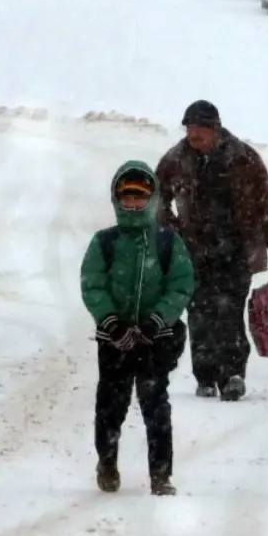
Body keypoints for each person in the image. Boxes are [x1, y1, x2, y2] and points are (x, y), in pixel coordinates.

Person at [155, 99, 268, 401]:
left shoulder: (244, 159)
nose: (192, 134)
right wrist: (169, 232)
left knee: (229, 314)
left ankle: (232, 375)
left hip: (236, 251)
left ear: (214, 128)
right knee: (200, 313)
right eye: (188, 128)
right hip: (192, 253)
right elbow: (156, 201)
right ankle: (205, 375)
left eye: (199, 128)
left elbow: (265, 206)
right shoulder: (175, 160)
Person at [80, 161, 195, 496]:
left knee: (155, 404)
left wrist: (156, 320)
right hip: (113, 341)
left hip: (154, 340)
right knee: (110, 405)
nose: (133, 204)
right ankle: (107, 463)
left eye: (140, 198)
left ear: (153, 200)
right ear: (117, 200)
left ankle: (161, 474)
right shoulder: (104, 242)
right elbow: (92, 285)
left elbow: (180, 284)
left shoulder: (166, 242)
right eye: (127, 198)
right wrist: (111, 322)